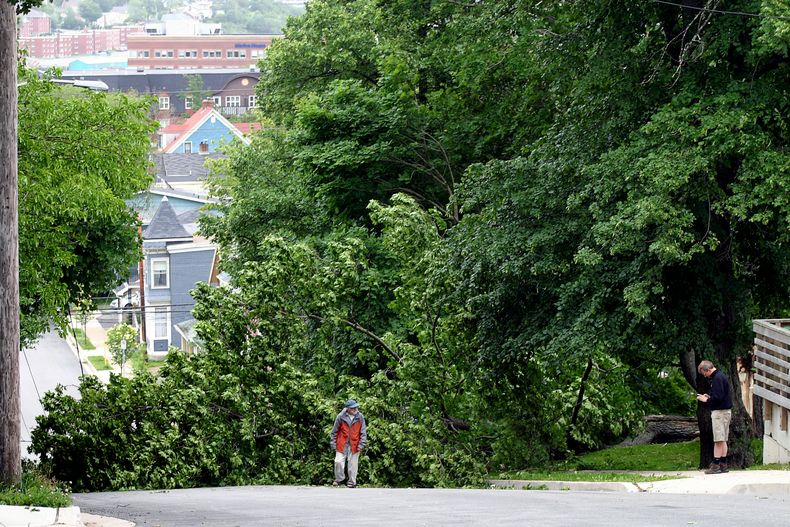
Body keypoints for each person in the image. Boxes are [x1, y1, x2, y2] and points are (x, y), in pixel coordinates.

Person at [696, 360, 733, 474]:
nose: (704, 376)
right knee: (723, 439)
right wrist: (710, 395)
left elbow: (718, 398)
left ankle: (716, 465)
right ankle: (723, 464)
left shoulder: (716, 378)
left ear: (707, 370)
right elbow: (720, 394)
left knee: (718, 439)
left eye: (704, 373)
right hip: (726, 411)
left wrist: (706, 399)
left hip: (719, 413)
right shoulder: (721, 376)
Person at [330, 399, 367, 488]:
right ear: (347, 409)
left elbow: (363, 432)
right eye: (353, 408)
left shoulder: (360, 417)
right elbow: (334, 431)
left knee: (353, 464)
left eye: (356, 407)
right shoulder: (340, 416)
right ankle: (339, 479)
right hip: (342, 443)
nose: (355, 409)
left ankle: (352, 482)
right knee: (338, 462)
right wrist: (333, 443)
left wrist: (362, 444)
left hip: (355, 444)